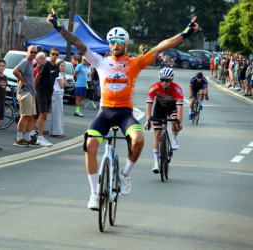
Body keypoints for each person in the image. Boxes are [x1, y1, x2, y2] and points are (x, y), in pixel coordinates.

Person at [47, 9, 199, 209]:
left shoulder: (134, 63)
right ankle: (94, 193)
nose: (115, 45)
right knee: (89, 146)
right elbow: (77, 42)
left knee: (138, 140)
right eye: (112, 42)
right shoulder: (99, 60)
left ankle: (125, 175)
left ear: (125, 44)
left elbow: (161, 46)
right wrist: (58, 26)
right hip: (105, 113)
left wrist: (186, 33)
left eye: (119, 41)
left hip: (125, 114)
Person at [144, 68, 183, 173]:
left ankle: (175, 137)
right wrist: (148, 120)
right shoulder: (154, 88)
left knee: (174, 121)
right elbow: (149, 105)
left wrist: (179, 122)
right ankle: (156, 163)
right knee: (157, 134)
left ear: (172, 79)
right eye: (162, 80)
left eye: (167, 80)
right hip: (159, 108)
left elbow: (179, 108)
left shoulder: (177, 89)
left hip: (172, 107)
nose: (164, 82)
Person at [12, 45, 38, 147]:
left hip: (30, 93)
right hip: (25, 92)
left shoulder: (31, 64)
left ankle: (27, 138)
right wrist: (22, 80)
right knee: (24, 116)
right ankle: (19, 138)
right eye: (31, 52)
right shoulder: (25, 62)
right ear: (27, 52)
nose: (33, 54)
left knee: (30, 116)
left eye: (35, 52)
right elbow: (15, 71)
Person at [35, 47, 60, 147]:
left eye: (57, 54)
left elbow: (54, 79)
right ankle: (39, 137)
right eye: (53, 54)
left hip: (49, 92)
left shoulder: (56, 67)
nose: (54, 56)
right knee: (42, 113)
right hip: (41, 92)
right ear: (50, 55)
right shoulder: (45, 65)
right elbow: (37, 77)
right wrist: (35, 89)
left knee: (44, 115)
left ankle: (38, 135)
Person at [50, 61, 67, 137]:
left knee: (59, 113)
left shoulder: (62, 74)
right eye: (61, 65)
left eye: (64, 66)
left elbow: (65, 84)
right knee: (57, 113)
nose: (63, 67)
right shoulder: (57, 74)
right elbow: (62, 85)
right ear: (58, 66)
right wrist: (63, 78)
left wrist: (64, 77)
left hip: (60, 94)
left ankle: (56, 131)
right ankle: (56, 132)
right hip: (57, 93)